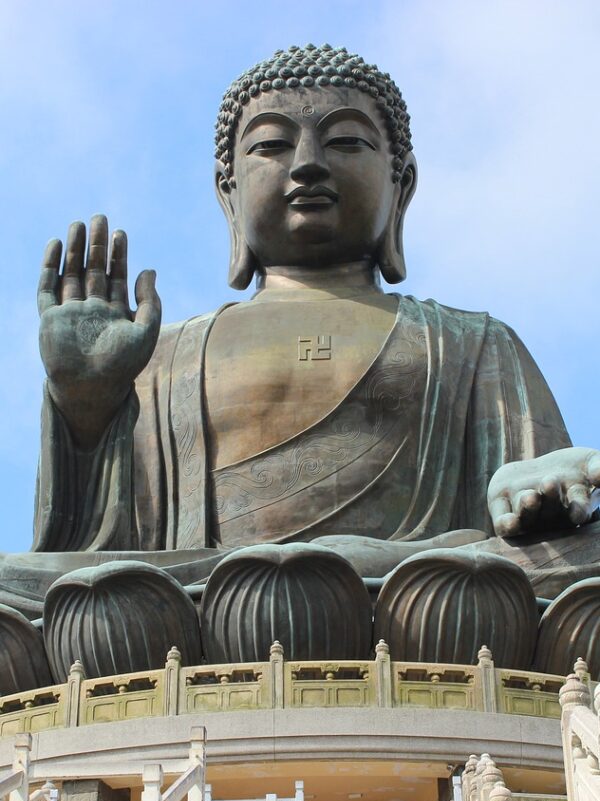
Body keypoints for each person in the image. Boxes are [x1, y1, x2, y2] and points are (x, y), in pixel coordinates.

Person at [4, 44, 600, 619]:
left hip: (428, 596)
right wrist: (86, 406)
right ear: (227, 192)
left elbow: (542, 521)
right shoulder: (162, 357)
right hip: (199, 603)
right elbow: (96, 551)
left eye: (345, 141)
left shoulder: (471, 344)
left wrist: (539, 496)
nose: (308, 162)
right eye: (270, 145)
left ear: (402, 186)